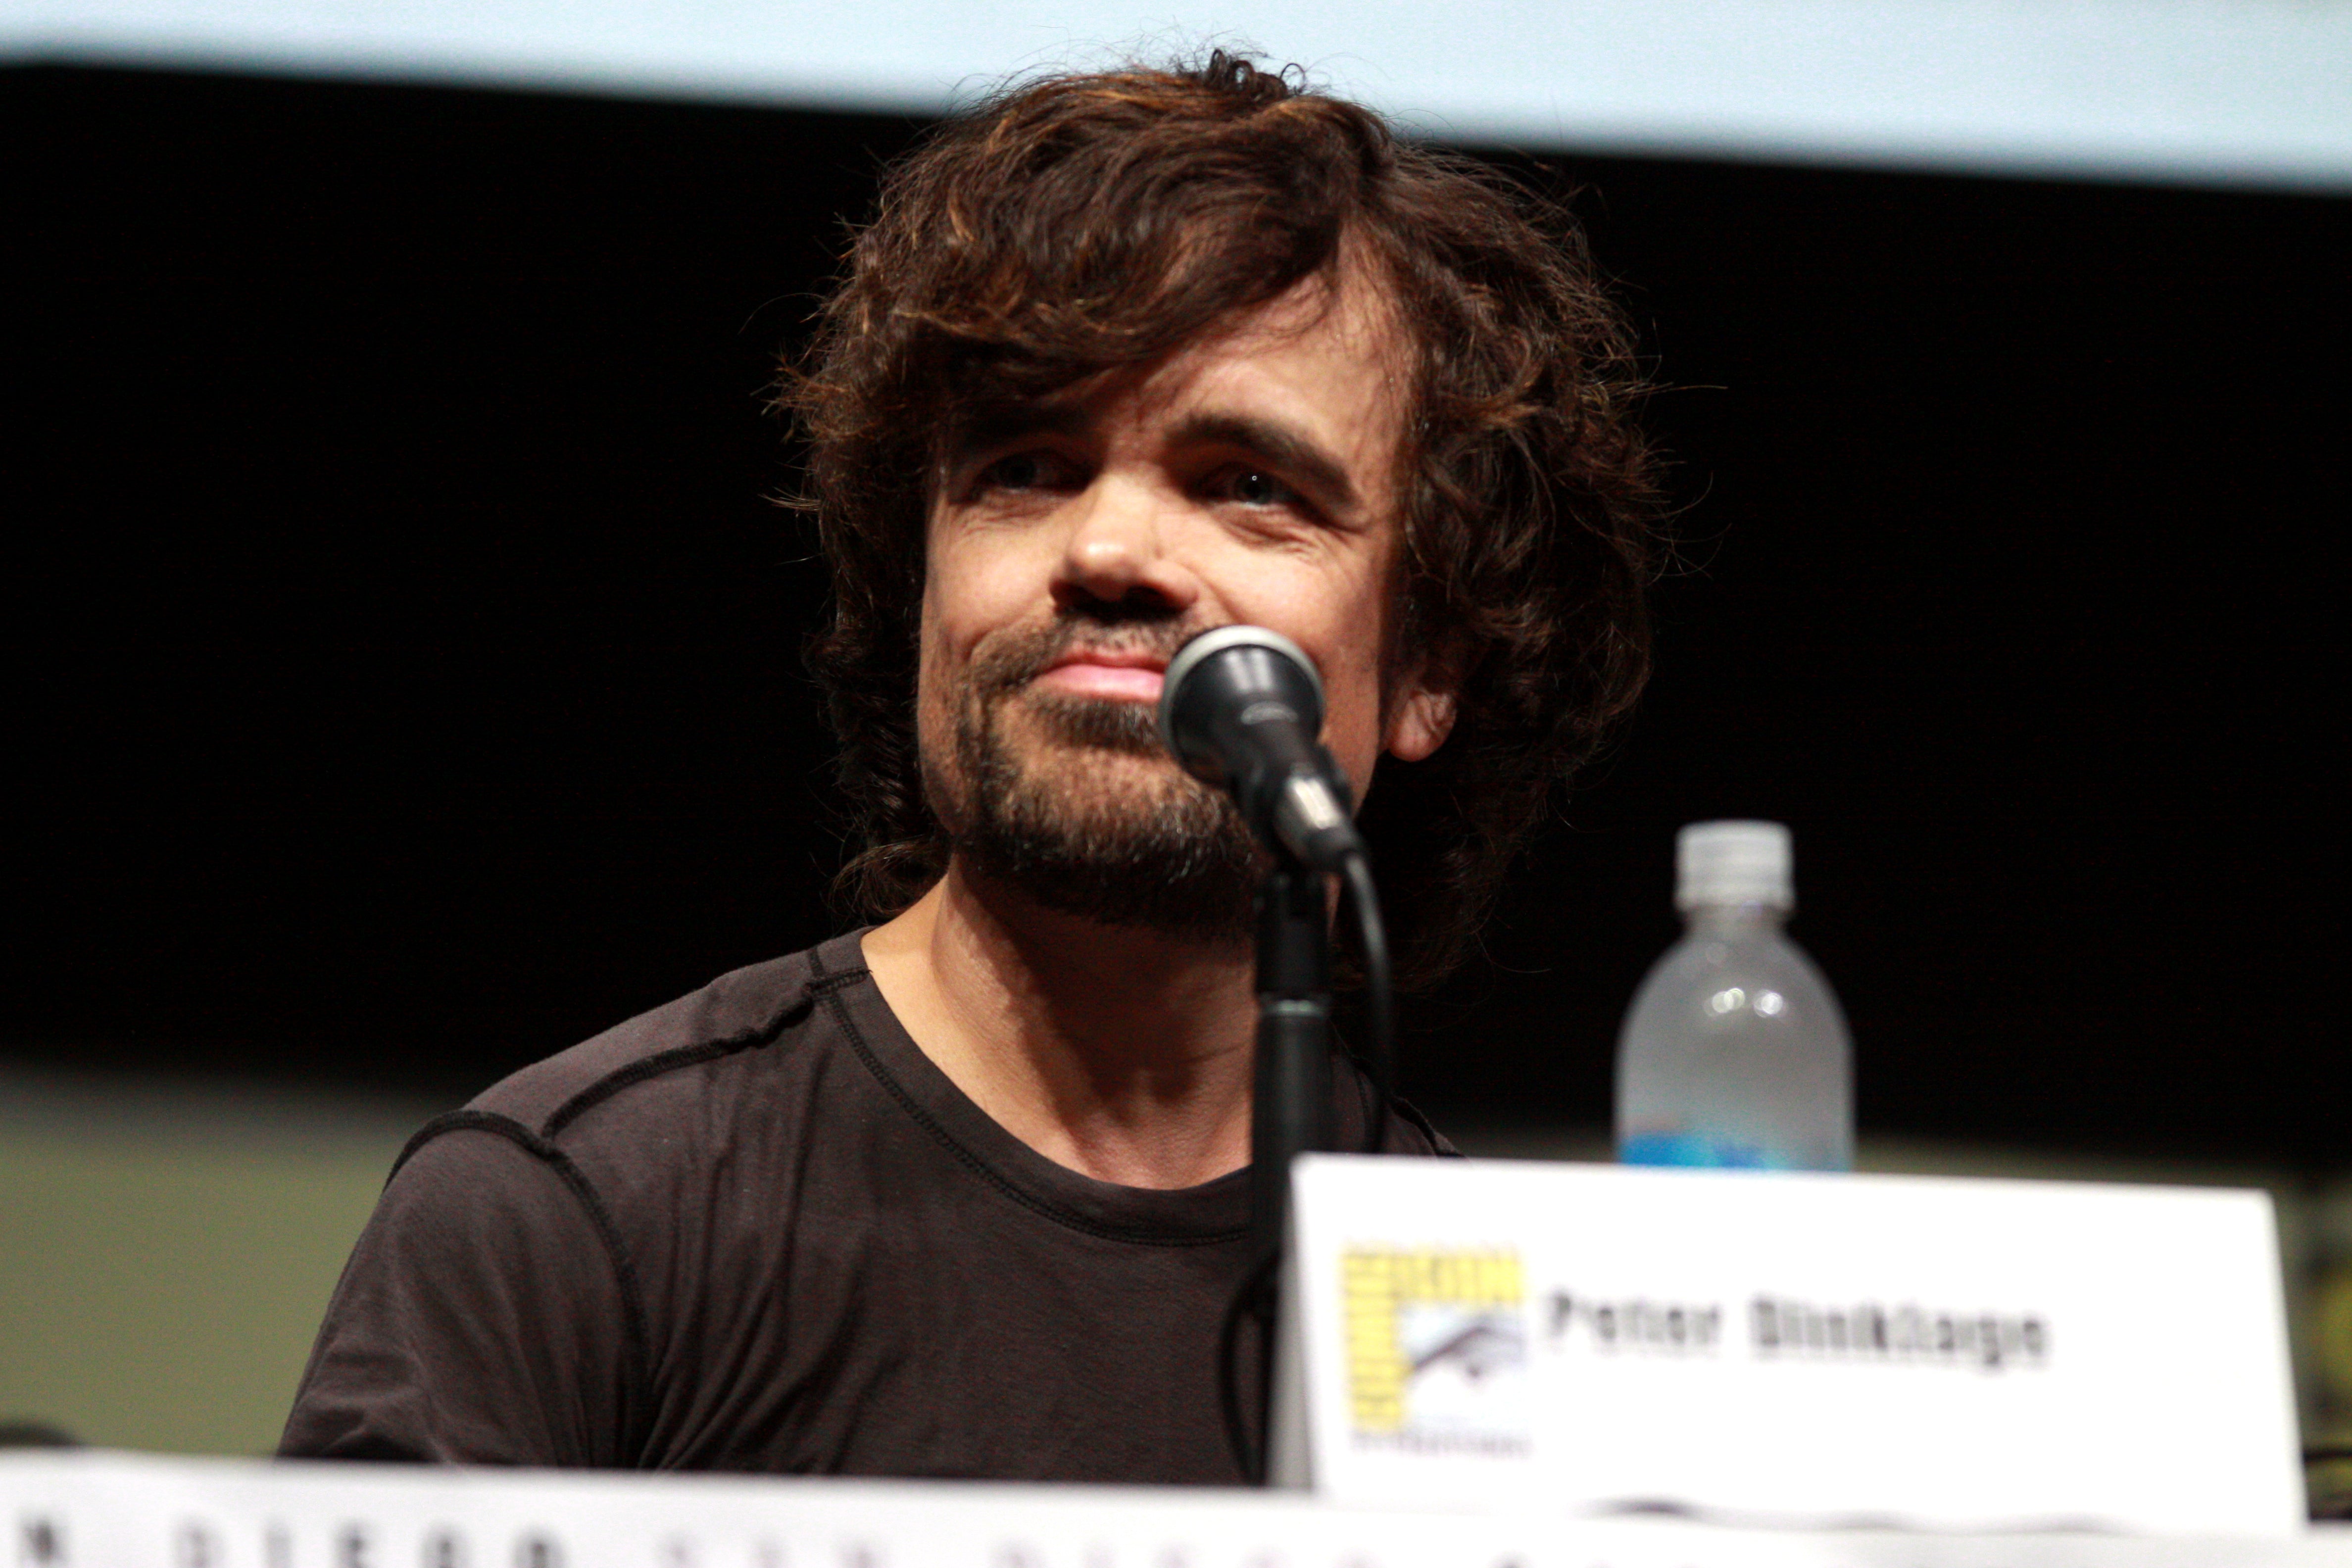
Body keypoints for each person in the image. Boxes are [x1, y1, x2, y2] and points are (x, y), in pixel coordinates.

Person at [280, 51, 1660, 1482]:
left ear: (1431, 662)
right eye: (1027, 467)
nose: (1110, 551)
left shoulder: (1502, 1319)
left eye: (1249, 486)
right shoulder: (575, 1214)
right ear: (920, 594)